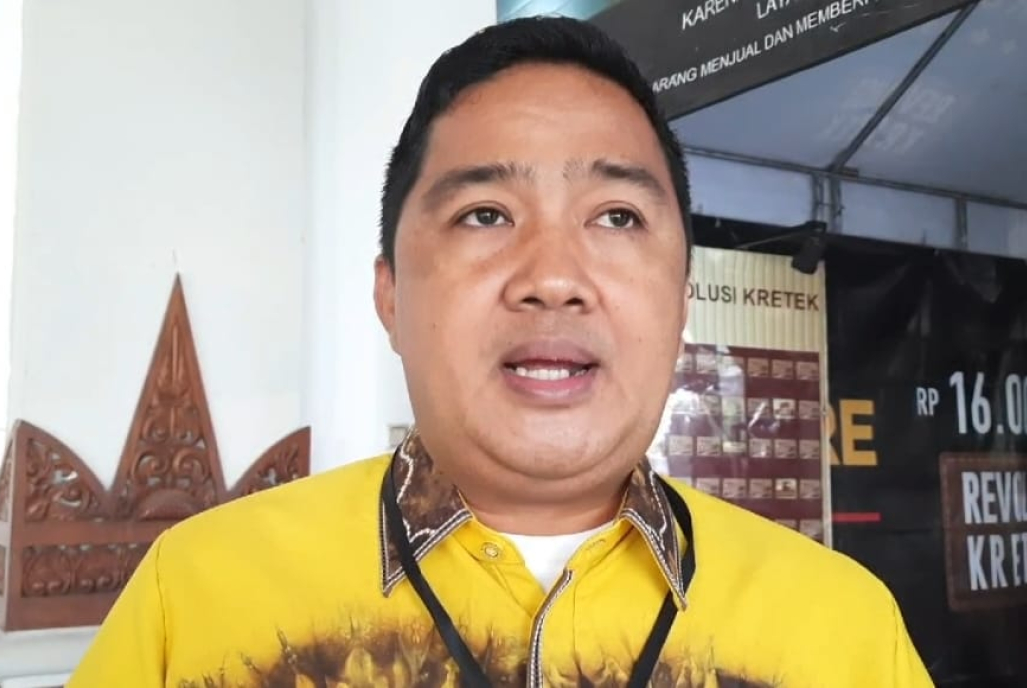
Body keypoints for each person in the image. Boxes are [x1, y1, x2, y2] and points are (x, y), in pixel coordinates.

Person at [68, 16, 932, 688]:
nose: (553, 278)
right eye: (484, 214)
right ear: (390, 295)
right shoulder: (199, 596)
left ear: (681, 300)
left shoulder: (843, 629)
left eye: (617, 217)